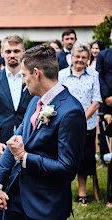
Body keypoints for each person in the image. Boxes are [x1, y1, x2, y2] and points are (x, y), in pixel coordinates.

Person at [0, 45, 87, 220]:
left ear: (36, 73)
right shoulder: (34, 102)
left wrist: (25, 157)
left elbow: (67, 169)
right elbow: (14, 143)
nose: (23, 80)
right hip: (15, 198)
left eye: (24, 75)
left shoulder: (71, 112)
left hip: (45, 205)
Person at [0, 35, 33, 220]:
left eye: (16, 51)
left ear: (23, 53)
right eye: (9, 51)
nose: (12, 55)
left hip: (27, 145)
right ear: (2, 53)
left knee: (25, 188)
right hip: (0, 147)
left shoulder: (31, 78)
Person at [59, 44, 102, 206]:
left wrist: (81, 119)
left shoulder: (94, 75)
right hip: (65, 125)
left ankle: (82, 192)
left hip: (87, 125)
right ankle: (63, 191)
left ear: (88, 59)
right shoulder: (61, 75)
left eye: (84, 57)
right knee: (65, 158)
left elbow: (97, 100)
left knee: (84, 159)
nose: (80, 60)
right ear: (71, 58)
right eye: (77, 56)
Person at [96, 29, 112, 182]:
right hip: (107, 100)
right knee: (105, 130)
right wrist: (107, 96)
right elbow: (99, 76)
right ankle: (104, 158)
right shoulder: (103, 54)